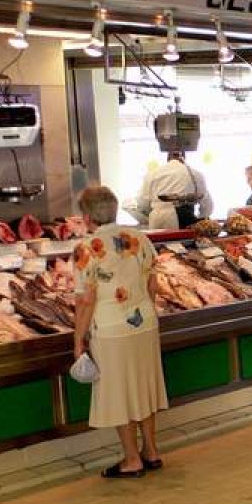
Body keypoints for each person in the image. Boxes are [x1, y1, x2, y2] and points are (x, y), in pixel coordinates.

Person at [72, 186, 168, 478]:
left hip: (111, 329)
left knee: (119, 392)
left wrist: (78, 341)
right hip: (145, 322)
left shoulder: (85, 249)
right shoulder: (138, 237)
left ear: (87, 217)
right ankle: (151, 451)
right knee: (144, 386)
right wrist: (143, 312)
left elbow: (86, 300)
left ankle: (131, 459)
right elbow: (152, 284)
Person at [131, 152, 213, 229]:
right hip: (183, 218)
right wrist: (201, 221)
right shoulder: (195, 174)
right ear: (184, 158)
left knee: (158, 243)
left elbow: (142, 203)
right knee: (181, 243)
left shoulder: (152, 174)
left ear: (167, 158)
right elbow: (207, 205)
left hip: (156, 218)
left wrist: (148, 215)